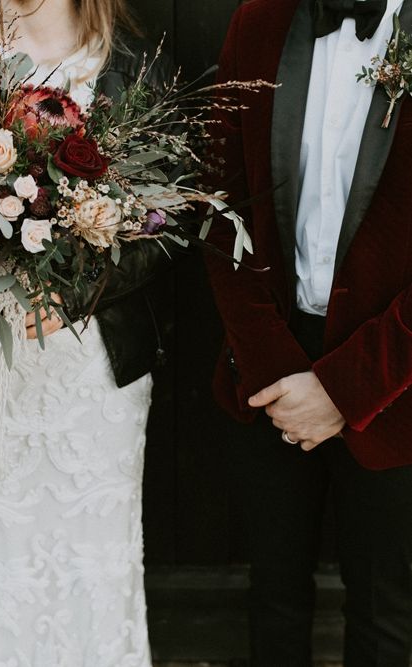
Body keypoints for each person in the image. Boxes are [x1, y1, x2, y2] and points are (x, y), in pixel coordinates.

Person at [0, 0, 174, 663]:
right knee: (1, 566)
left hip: (88, 378)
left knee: (94, 568)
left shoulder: (133, 68)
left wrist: (67, 294)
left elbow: (170, 225)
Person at [205, 0, 412, 665]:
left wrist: (343, 388)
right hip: (269, 366)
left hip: (395, 380)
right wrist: (271, 366)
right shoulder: (257, 22)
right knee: (272, 595)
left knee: (387, 611)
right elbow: (219, 201)